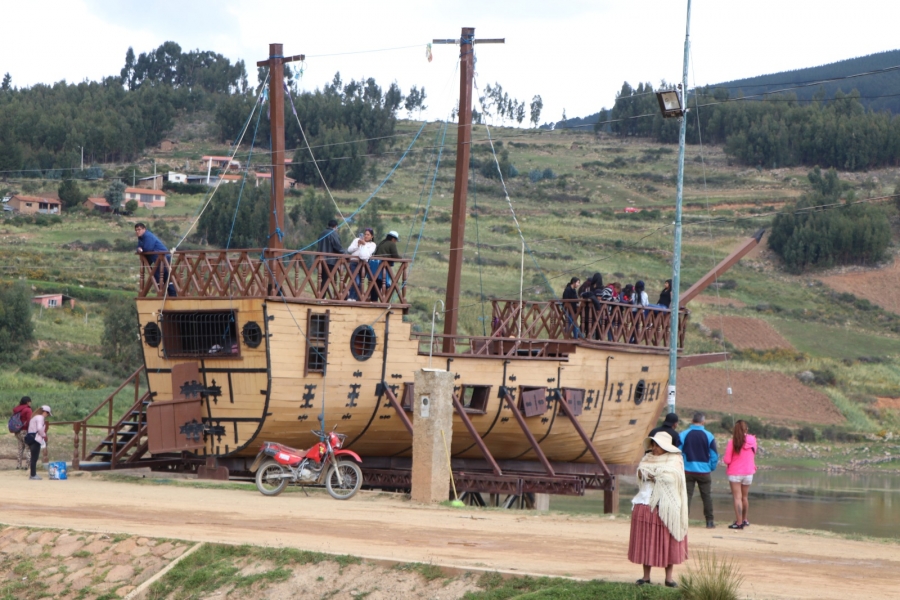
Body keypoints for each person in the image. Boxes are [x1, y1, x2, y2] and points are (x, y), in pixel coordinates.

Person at [628, 432, 689, 588]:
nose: (653, 448)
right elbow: (641, 473)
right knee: (646, 541)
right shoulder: (647, 458)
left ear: (664, 447)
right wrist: (654, 475)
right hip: (645, 503)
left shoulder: (675, 460)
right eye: (653, 444)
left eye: (656, 445)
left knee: (668, 542)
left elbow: (671, 478)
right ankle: (646, 577)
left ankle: (669, 578)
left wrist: (654, 475)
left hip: (667, 507)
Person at [679, 412, 719, 528]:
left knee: (686, 496)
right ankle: (709, 521)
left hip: (687, 470)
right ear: (703, 422)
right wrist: (711, 467)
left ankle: (683, 521)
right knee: (706, 496)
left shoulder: (683, 435)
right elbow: (714, 455)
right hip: (704, 471)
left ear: (692, 421)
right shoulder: (709, 436)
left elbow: (677, 452)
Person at [724, 419, 757, 530]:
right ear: (746, 429)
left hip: (735, 473)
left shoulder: (732, 442)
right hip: (749, 472)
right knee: (745, 497)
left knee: (737, 498)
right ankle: (744, 520)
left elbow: (727, 460)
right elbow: (753, 454)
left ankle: (738, 523)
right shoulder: (753, 441)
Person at [135, 223, 176, 297]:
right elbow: (139, 247)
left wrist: (141, 249)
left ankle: (164, 295)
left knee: (158, 275)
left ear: (144, 229)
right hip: (159, 258)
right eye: (136, 230)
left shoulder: (148, 236)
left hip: (163, 257)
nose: (137, 231)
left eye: (139, 229)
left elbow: (148, 248)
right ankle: (171, 295)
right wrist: (139, 249)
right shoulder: (141, 237)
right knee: (165, 277)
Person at [370, 231, 401, 301]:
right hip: (382, 266)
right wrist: (401, 258)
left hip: (375, 265)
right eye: (395, 240)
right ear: (393, 239)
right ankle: (376, 300)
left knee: (375, 283)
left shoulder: (382, 242)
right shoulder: (391, 244)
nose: (395, 242)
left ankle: (373, 299)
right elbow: (395, 256)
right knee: (380, 283)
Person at [316, 219, 346, 294]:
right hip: (330, 261)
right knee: (326, 279)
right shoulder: (333, 234)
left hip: (320, 259)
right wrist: (345, 254)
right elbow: (337, 247)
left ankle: (321, 295)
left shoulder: (322, 233)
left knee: (322, 278)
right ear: (335, 226)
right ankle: (322, 297)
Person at [346, 228, 376, 301]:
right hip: (354, 262)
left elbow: (367, 254)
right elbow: (349, 250)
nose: (366, 236)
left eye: (368, 235)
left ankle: (355, 298)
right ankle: (350, 297)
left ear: (371, 236)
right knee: (356, 280)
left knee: (360, 282)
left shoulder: (372, 245)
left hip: (364, 265)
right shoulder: (357, 240)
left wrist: (364, 245)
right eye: (365, 234)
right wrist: (358, 245)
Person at [26, 405, 51, 480]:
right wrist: (44, 435)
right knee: (34, 457)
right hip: (36, 438)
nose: (47, 415)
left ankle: (33, 474)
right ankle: (33, 474)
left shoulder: (34, 417)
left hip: (30, 437)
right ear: (44, 412)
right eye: (47, 413)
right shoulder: (40, 417)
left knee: (33, 457)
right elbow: (39, 428)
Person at [12, 396, 33, 470]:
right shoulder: (28, 409)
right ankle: (27, 465)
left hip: (17, 431)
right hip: (24, 430)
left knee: (20, 448)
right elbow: (29, 421)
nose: (30, 403)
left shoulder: (17, 409)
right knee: (28, 448)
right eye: (30, 401)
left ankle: (18, 465)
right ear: (27, 402)